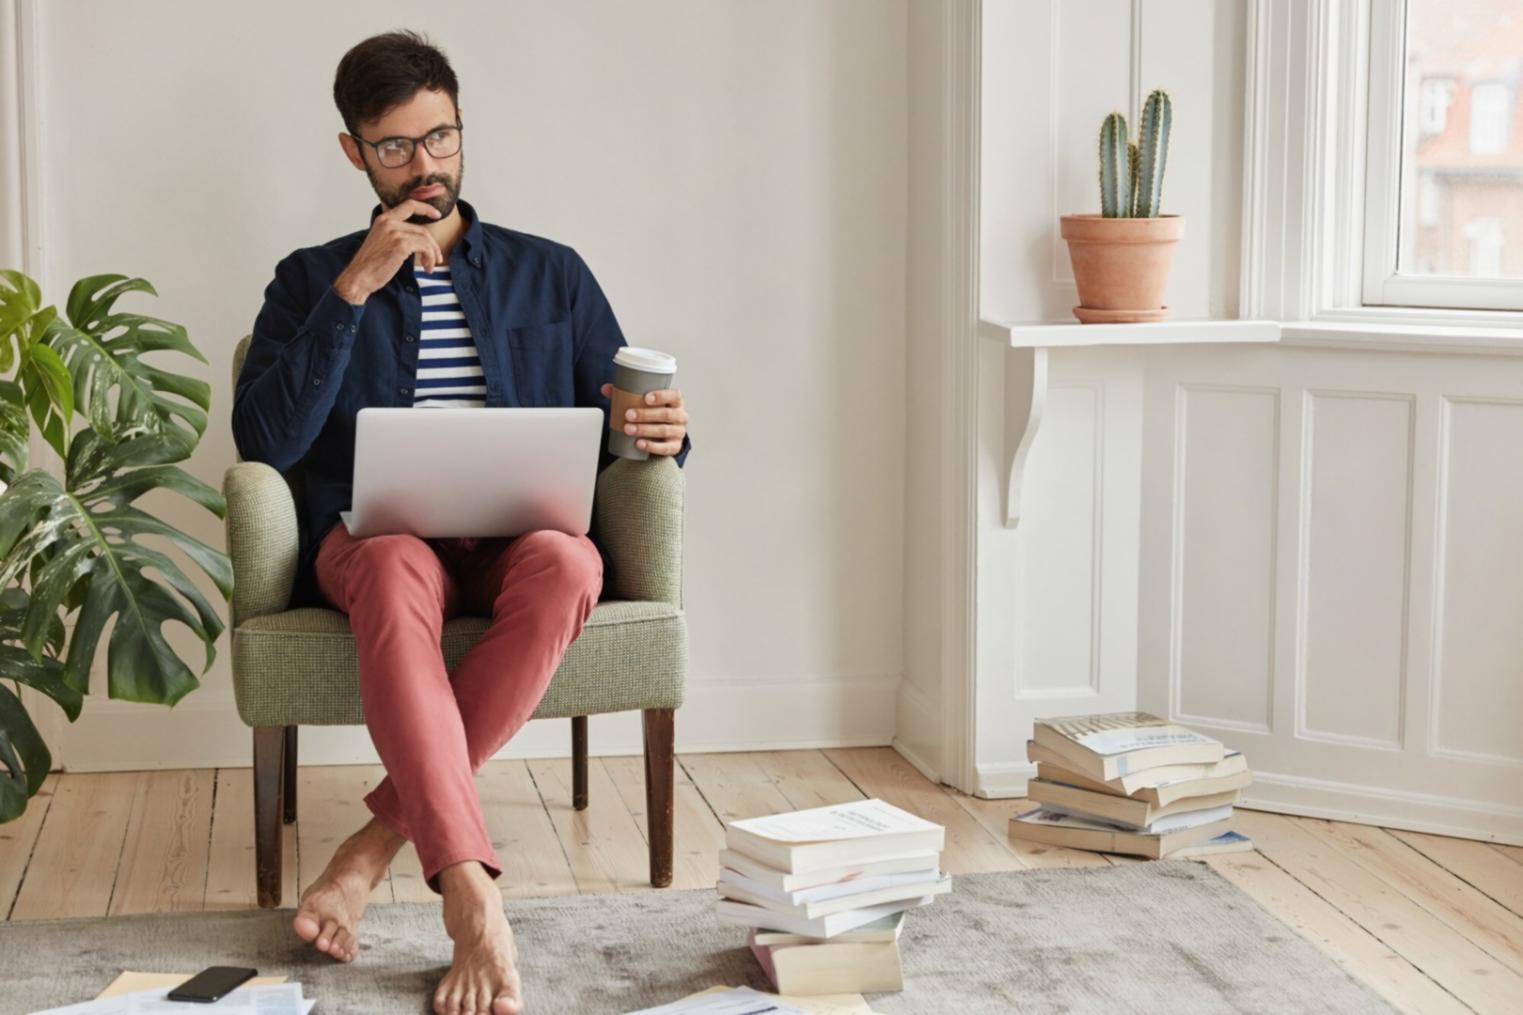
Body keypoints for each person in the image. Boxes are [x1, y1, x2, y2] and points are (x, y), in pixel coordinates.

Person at [230, 29, 692, 1015]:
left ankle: (369, 849)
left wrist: (656, 430)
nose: (424, 166)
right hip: (380, 539)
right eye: (395, 146)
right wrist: (356, 288)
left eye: (439, 138)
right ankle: (470, 891)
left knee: (570, 565)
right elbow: (264, 442)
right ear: (354, 152)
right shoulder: (310, 280)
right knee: (393, 562)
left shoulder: (549, 272)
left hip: (515, 539)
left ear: (460, 130)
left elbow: (617, 421)